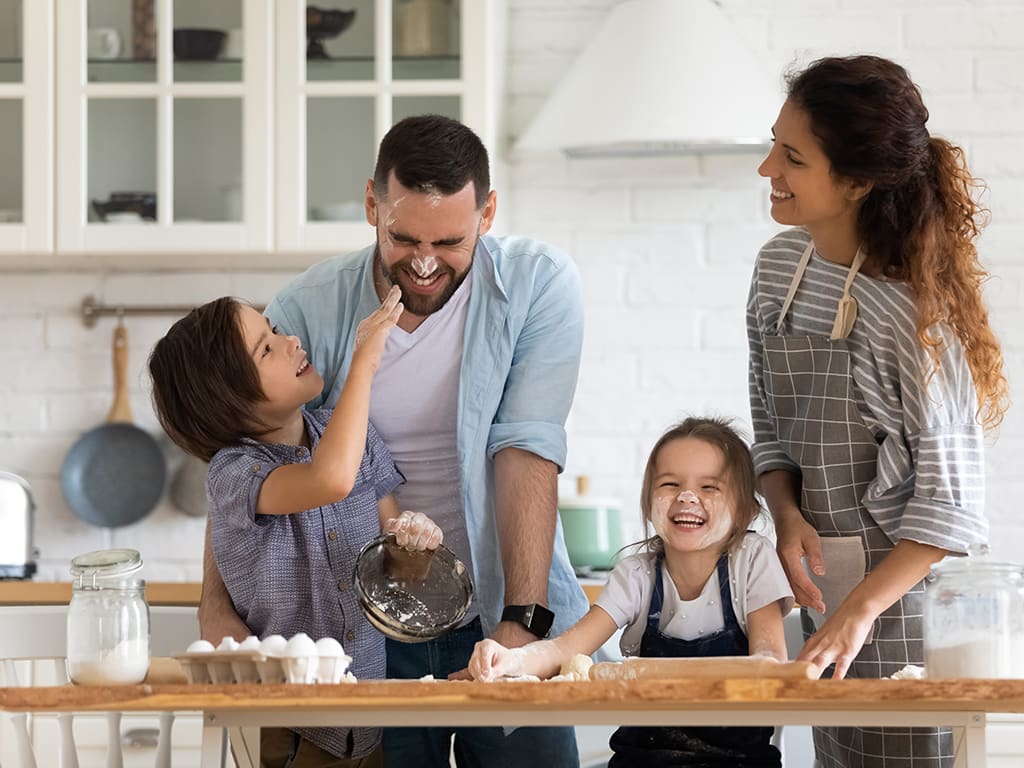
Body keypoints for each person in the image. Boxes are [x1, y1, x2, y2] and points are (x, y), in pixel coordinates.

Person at [196, 113, 590, 768]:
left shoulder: (538, 286)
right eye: (404, 238)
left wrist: (522, 624)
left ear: (488, 213)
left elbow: (525, 450)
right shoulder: (308, 312)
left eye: (451, 240)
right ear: (373, 204)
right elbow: (244, 464)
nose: (426, 263)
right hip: (365, 631)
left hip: (506, 612)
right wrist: (215, 610)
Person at [747, 54, 1009, 767]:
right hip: (825, 593)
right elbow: (768, 426)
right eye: (774, 142)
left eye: (793, 156)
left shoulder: (910, 316)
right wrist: (787, 513)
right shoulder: (776, 272)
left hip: (906, 618)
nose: (768, 167)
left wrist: (861, 608)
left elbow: (949, 507)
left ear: (857, 181)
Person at [150, 285, 445, 767]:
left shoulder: (356, 436)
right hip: (288, 732)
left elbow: (398, 572)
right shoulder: (233, 474)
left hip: (369, 723)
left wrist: (415, 544)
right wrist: (365, 361)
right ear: (229, 400)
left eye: (276, 331)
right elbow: (327, 479)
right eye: (266, 348)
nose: (291, 342)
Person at [469, 416, 794, 767]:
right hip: (643, 759)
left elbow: (769, 663)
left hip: (740, 760)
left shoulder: (752, 560)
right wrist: (511, 660)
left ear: (746, 510)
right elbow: (566, 649)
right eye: (670, 484)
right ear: (647, 502)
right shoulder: (637, 574)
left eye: (709, 488)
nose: (687, 497)